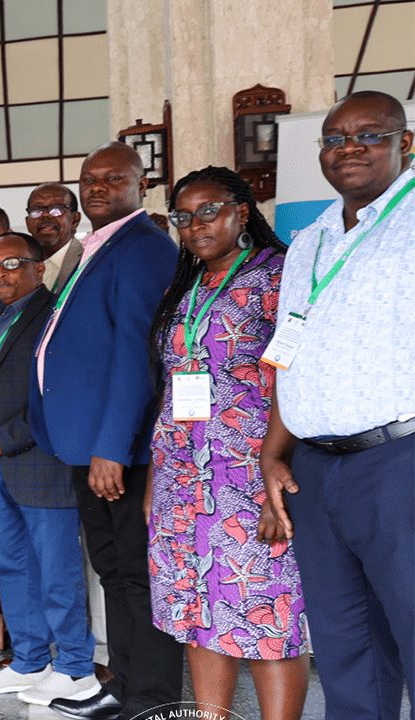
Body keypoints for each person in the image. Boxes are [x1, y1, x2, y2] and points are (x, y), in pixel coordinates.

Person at [272, 90, 415, 720]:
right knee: (344, 642)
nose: (349, 147)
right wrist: (276, 453)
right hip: (315, 470)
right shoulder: (309, 240)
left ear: (404, 143)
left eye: (369, 134)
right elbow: (288, 350)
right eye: (334, 139)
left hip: (398, 462)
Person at [146, 167, 305, 719]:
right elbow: (171, 388)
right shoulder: (184, 287)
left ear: (243, 210)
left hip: (247, 476)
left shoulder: (278, 276)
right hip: (180, 480)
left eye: (208, 211)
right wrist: (154, 483)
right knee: (196, 613)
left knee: (265, 614)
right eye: (182, 217)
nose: (194, 226)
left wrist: (273, 466)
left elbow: (294, 371)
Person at [30, 142, 182, 720]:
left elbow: (135, 356)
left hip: (117, 451)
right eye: (88, 179)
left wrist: (111, 449)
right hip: (87, 445)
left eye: (111, 178)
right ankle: (123, 682)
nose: (96, 187)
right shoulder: (100, 246)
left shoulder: (143, 248)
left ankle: (154, 697)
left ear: (140, 186)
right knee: (114, 572)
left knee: (138, 576)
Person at [0, 233, 98, 703]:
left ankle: (76, 666)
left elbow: (57, 394)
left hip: (40, 462)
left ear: (40, 268)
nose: (1, 274)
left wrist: (3, 440)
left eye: (14, 263)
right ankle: (29, 659)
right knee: (11, 564)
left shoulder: (55, 316)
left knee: (57, 569)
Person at [24, 183, 86, 291]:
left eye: (56, 209)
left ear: (75, 220)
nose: (46, 215)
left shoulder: (89, 262)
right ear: (28, 223)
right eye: (36, 210)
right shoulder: (20, 264)